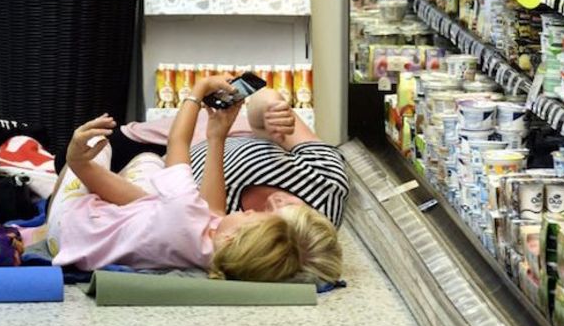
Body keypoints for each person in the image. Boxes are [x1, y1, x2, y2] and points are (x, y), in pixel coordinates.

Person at [45, 75, 342, 283]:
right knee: (150, 183)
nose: (252, 209)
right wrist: (220, 135)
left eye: (260, 215)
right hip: (158, 205)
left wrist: (197, 92)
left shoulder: (196, 216)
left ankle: (67, 182)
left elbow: (178, 142)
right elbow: (211, 212)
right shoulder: (220, 252)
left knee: (114, 154)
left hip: (70, 227)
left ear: (233, 239)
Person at [54, 81, 350, 228]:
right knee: (80, 153)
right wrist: (273, 111)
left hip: (176, 163)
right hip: (209, 135)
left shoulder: (228, 225)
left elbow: (164, 195)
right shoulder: (325, 184)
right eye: (296, 205)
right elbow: (263, 96)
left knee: (70, 160)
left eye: (272, 217)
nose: (277, 199)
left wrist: (195, 97)